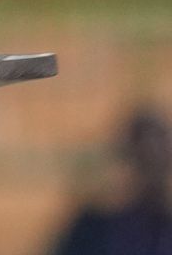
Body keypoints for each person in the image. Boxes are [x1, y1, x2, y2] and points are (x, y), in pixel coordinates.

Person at [52, 103, 172, 255]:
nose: (150, 175)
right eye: (142, 161)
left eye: (156, 163)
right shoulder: (92, 227)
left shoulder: (163, 227)